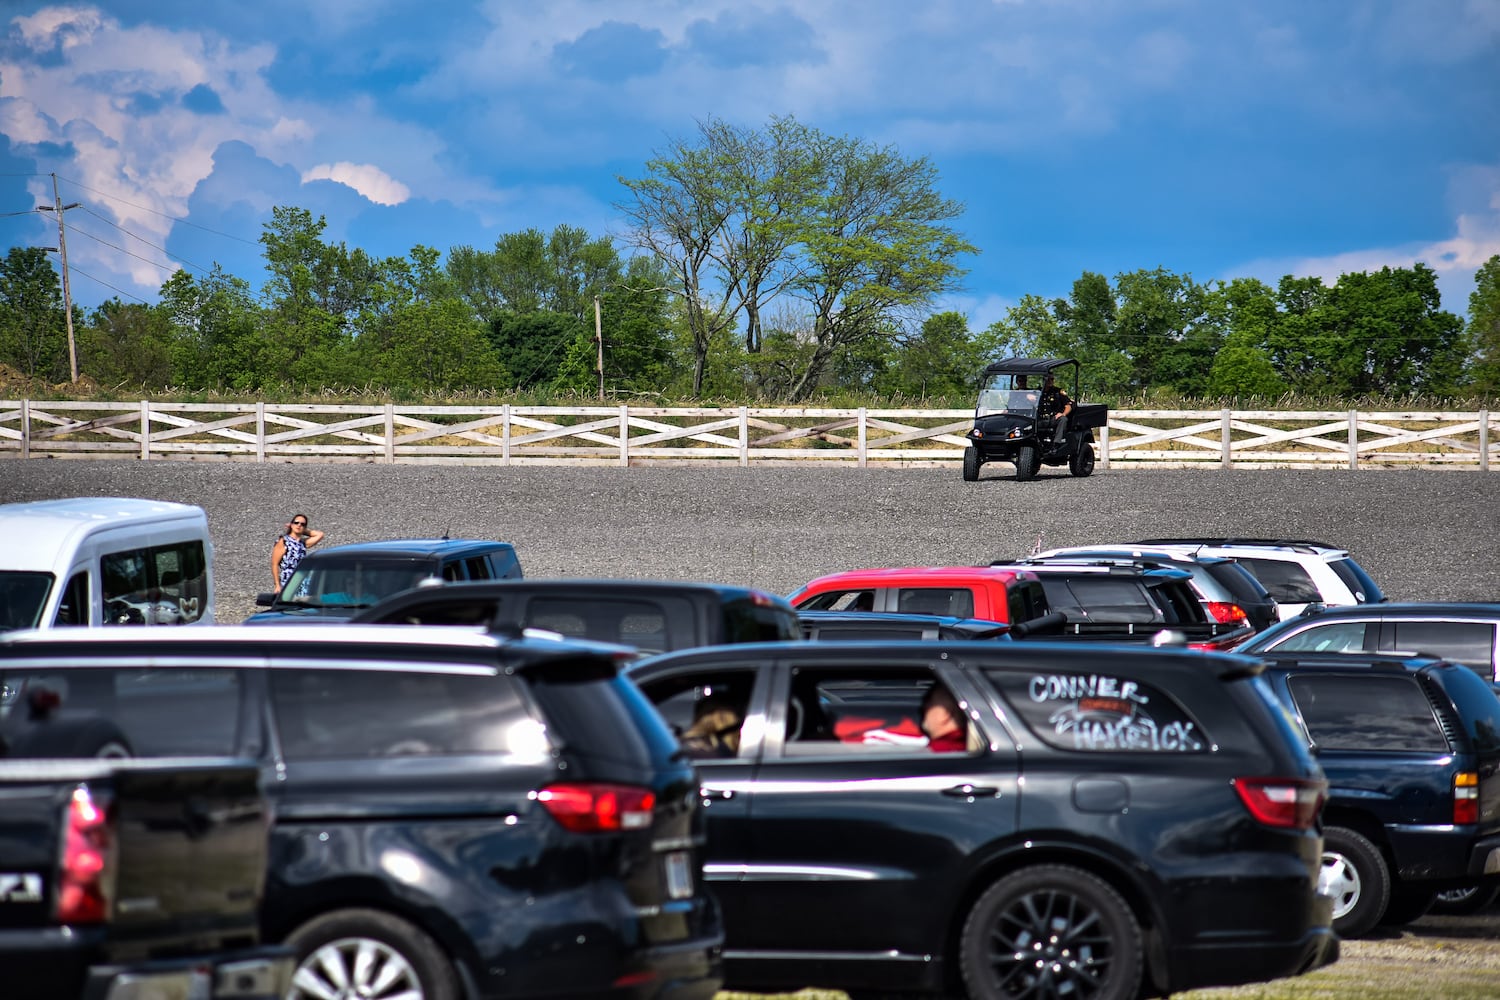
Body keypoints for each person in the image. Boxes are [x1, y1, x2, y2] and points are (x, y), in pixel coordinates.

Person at [271, 514, 324, 591]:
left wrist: (303, 530)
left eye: (303, 524)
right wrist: (277, 585)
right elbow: (274, 564)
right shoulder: (283, 541)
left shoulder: (302, 543)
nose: (299, 525)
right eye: (296, 522)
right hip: (288, 580)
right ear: (291, 524)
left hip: (303, 579)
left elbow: (320, 535)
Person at [920, 684, 968, 753]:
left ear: (946, 713)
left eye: (929, 702)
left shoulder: (937, 751)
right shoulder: (969, 747)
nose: (923, 708)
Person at [1039, 373, 1074, 445]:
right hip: (1040, 419)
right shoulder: (1038, 392)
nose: (1050, 381)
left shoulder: (1058, 392)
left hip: (1053, 418)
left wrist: (1063, 414)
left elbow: (1068, 406)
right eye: (1048, 379)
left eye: (1052, 379)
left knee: (1063, 419)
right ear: (1044, 380)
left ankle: (1057, 443)